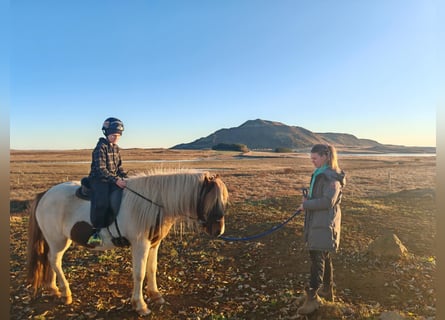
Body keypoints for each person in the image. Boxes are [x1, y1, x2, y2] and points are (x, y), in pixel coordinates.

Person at [296, 144, 346, 315]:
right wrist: (308, 199)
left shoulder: (330, 178)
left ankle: (313, 298)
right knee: (323, 256)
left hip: (324, 223)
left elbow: (327, 202)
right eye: (311, 158)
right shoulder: (320, 174)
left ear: (325, 156)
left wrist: (306, 204)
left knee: (317, 258)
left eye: (315, 158)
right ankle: (327, 290)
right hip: (318, 221)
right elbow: (321, 198)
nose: (312, 161)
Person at [87, 117, 128, 246]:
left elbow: (119, 167)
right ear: (107, 134)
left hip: (112, 179)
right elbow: (101, 169)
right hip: (99, 180)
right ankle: (96, 232)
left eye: (118, 135)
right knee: (102, 201)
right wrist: (115, 180)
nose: (115, 137)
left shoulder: (116, 148)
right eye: (113, 135)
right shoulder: (100, 148)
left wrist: (124, 177)